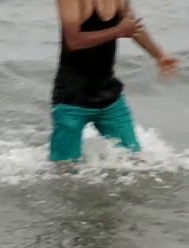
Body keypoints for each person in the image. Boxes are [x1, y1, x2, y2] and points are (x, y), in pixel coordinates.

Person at [50, 0, 178, 163]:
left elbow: (133, 28)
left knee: (135, 160)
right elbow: (74, 41)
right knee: (64, 168)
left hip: (109, 96)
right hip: (71, 99)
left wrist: (159, 55)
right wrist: (119, 30)